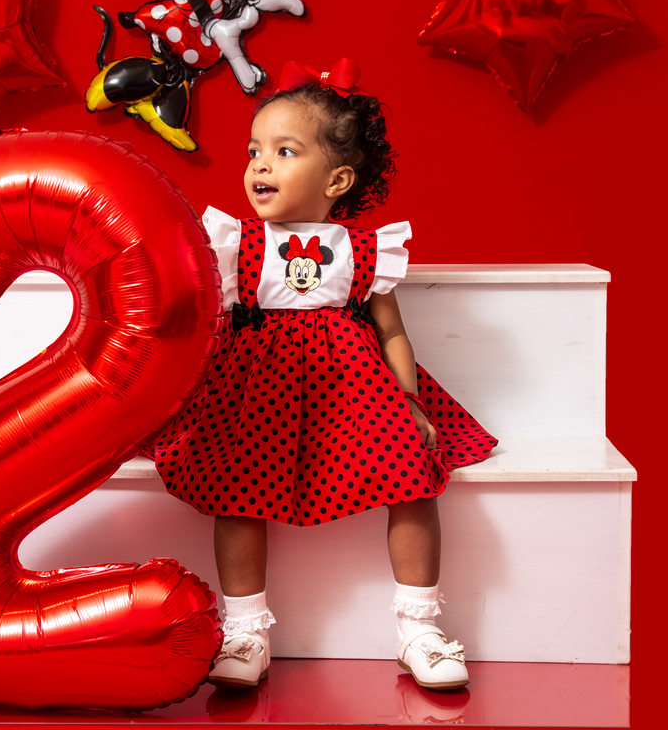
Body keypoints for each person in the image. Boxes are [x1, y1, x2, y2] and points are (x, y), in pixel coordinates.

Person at [144, 58, 497, 691]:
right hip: (257, 391)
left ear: (337, 179)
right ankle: (246, 630)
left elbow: (391, 332)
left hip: (353, 394)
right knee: (236, 491)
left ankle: (418, 626)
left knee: (415, 477)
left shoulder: (366, 250)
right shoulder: (235, 244)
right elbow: (201, 321)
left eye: (284, 151)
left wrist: (411, 401)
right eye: (254, 151)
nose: (260, 165)